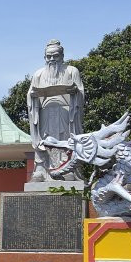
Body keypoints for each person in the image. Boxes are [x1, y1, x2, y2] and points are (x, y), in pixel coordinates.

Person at [27, 40, 85, 181]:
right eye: (49, 56)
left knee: (66, 141)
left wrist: (75, 92)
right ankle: (41, 170)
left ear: (62, 55)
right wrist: (33, 95)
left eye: (55, 56)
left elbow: (81, 93)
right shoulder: (38, 74)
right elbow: (30, 94)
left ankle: (67, 169)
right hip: (44, 112)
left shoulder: (71, 71)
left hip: (66, 112)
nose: (52, 59)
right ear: (45, 57)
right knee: (44, 141)